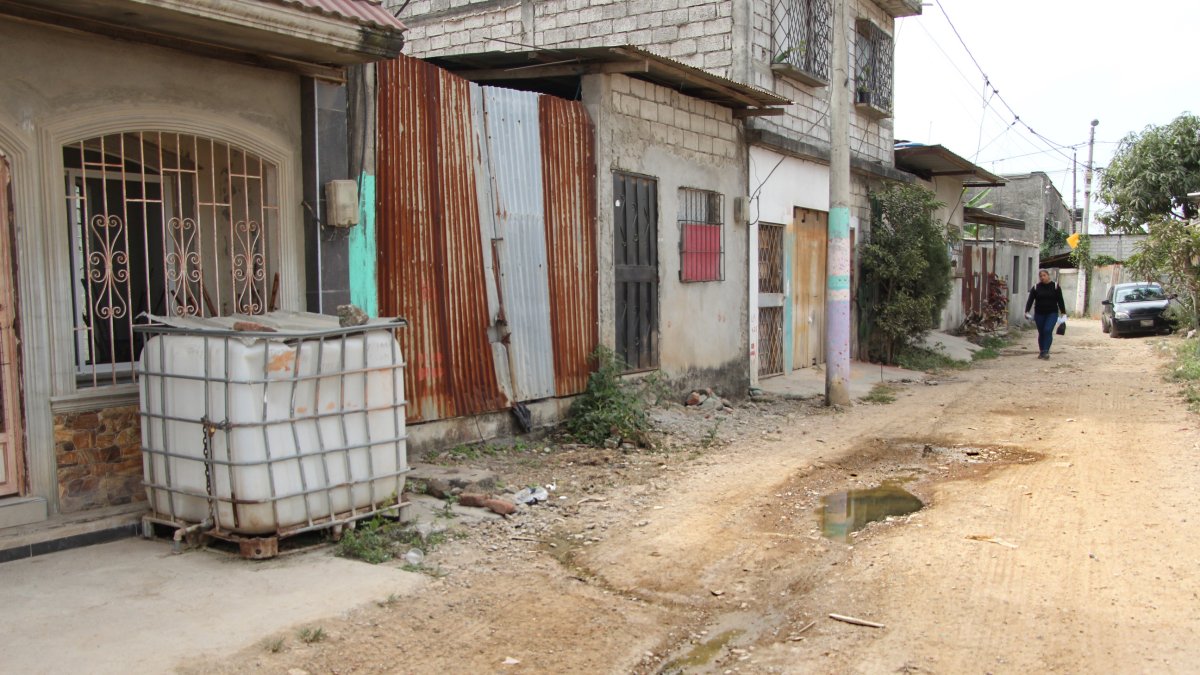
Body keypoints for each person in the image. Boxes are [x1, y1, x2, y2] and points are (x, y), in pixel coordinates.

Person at [1024, 269, 1067, 359]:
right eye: (1041, 276)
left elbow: (1060, 300)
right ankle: (1042, 351)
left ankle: (1046, 351)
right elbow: (1030, 300)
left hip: (1052, 313)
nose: (1042, 277)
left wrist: (1063, 313)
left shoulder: (1055, 286)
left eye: (1044, 275)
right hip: (1039, 314)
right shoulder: (1036, 287)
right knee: (1041, 332)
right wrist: (1026, 311)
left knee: (1047, 330)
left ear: (1048, 276)